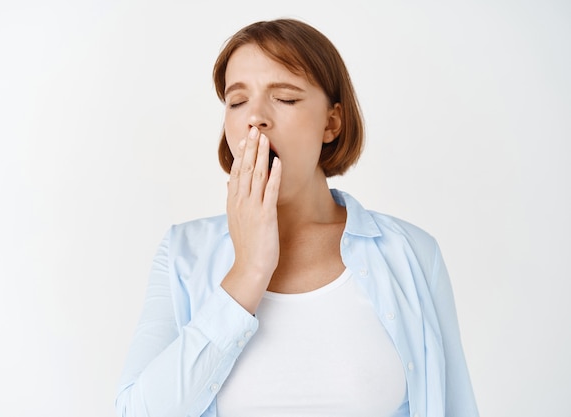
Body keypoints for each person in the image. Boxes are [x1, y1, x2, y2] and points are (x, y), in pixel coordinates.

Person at [115, 18, 479, 417]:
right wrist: (248, 272)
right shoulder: (182, 254)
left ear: (331, 122)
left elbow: (455, 406)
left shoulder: (411, 253)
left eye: (285, 98)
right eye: (237, 101)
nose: (255, 118)